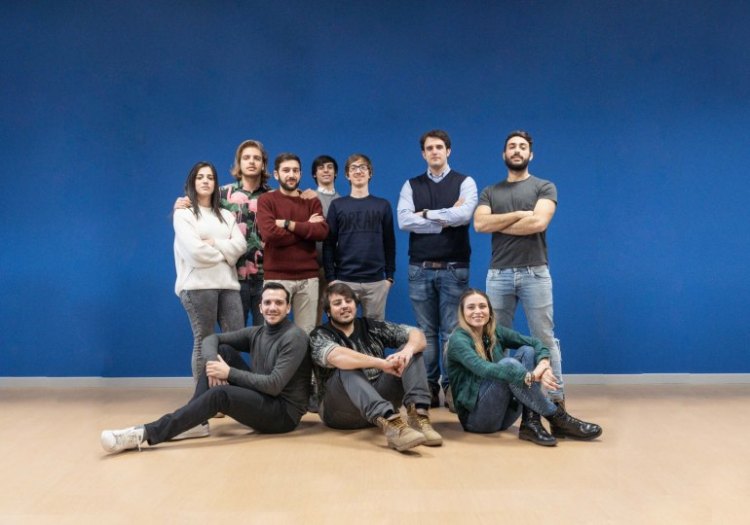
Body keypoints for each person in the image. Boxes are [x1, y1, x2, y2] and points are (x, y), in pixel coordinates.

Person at [100, 283, 312, 454]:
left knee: (220, 394)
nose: (272, 307)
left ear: (288, 308)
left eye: (279, 303)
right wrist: (213, 364)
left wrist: (228, 373)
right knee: (224, 352)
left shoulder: (294, 338)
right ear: (260, 307)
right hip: (263, 398)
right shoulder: (257, 333)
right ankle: (196, 422)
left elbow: (274, 385)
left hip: (282, 415)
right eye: (268, 302)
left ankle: (144, 433)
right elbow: (212, 339)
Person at [473, 130, 566, 412]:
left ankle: (556, 401)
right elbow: (479, 224)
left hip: (534, 272)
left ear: (530, 154)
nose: (517, 150)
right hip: (498, 274)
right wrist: (518, 215)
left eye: (522, 147)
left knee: (544, 337)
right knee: (495, 338)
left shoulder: (544, 187)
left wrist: (498, 222)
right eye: (512, 146)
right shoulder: (490, 191)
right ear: (504, 154)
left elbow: (538, 223)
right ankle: (498, 400)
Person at [445, 289, 602, 446]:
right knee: (508, 364)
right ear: (462, 312)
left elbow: (535, 343)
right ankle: (558, 417)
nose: (478, 311)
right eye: (471, 307)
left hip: (503, 416)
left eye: (482, 306)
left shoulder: (493, 331)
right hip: (476, 421)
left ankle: (530, 423)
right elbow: (484, 368)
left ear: (489, 310)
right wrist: (528, 376)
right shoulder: (458, 340)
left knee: (528, 351)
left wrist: (543, 365)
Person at [397, 129, 478, 408]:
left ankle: (452, 386)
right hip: (419, 268)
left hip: (454, 267)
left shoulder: (465, 182)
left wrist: (426, 214)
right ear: (423, 154)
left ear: (448, 151)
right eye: (429, 148)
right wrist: (445, 218)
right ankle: (429, 386)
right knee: (426, 332)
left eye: (439, 147)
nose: (434, 151)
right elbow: (404, 221)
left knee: (453, 332)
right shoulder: (411, 185)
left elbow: (464, 215)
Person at [309, 283, 442, 452]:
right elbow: (338, 357)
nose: (344, 306)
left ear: (355, 305)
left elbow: (417, 334)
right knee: (346, 367)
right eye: (337, 303)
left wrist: (407, 351)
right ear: (328, 312)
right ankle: (394, 427)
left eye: (348, 301)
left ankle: (419, 418)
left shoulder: (371, 326)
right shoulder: (319, 335)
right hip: (340, 412)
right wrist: (382, 364)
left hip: (380, 401)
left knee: (410, 352)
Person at [173, 161, 246, 381]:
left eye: (210, 177)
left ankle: (229, 393)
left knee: (235, 340)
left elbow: (241, 246)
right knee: (204, 340)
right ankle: (202, 394)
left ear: (216, 184)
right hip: (198, 287)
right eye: (200, 177)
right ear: (192, 182)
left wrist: (214, 243)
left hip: (228, 285)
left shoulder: (226, 215)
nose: (205, 181)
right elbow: (195, 253)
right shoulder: (183, 214)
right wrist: (226, 254)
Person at [256, 153, 329, 335]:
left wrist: (288, 224)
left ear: (300, 174)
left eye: (295, 171)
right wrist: (306, 228)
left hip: (308, 278)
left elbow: (321, 232)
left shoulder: (311, 200)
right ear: (276, 174)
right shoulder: (266, 200)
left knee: (306, 335)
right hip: (277, 276)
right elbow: (270, 235)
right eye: (286, 170)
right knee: (273, 335)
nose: (291, 175)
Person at [323, 154, 395, 320]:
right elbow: (329, 243)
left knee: (375, 331)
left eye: (363, 167)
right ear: (347, 175)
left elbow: (389, 242)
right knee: (343, 329)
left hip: (376, 282)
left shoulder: (382, 205)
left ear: (370, 173)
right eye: (353, 168)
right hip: (345, 280)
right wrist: (331, 278)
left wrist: (389, 277)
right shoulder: (337, 205)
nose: (358, 171)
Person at [219, 140, 272, 326]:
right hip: (232, 278)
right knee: (233, 336)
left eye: (257, 158)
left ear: (263, 164)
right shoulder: (222, 194)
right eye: (246, 158)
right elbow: (200, 210)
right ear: (239, 163)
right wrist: (183, 203)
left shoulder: (273, 196)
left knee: (265, 337)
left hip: (265, 278)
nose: (251, 161)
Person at [305, 155, 341, 325]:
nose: (326, 171)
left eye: (330, 167)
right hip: (314, 266)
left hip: (337, 267)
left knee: (339, 312)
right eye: (321, 168)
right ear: (314, 174)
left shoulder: (343, 201)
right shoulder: (308, 198)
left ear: (336, 173)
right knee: (314, 315)